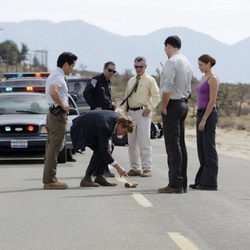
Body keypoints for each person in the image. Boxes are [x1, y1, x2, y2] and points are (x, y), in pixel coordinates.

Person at [158, 36, 192, 194]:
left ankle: (175, 184)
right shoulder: (186, 61)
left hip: (172, 104)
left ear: (169, 46)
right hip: (184, 103)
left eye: (165, 48)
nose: (165, 51)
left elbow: (168, 86)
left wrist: (164, 106)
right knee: (180, 144)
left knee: (172, 145)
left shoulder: (172, 62)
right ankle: (182, 183)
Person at [70, 110, 134, 187]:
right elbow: (104, 149)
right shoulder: (105, 125)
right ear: (120, 125)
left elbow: (108, 133)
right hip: (81, 128)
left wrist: (109, 142)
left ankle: (100, 176)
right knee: (100, 150)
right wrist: (118, 168)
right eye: (124, 132)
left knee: (110, 147)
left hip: (93, 126)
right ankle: (87, 178)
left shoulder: (117, 120)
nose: (123, 135)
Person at [43, 52, 77, 190]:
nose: (72, 69)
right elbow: (53, 91)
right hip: (57, 115)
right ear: (65, 64)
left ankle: (49, 178)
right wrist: (63, 105)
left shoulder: (54, 74)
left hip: (53, 114)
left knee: (51, 148)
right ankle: (50, 180)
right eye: (72, 65)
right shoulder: (58, 76)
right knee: (54, 149)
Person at [122, 56, 160, 177]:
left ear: (145, 67)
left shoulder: (150, 80)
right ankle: (134, 167)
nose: (138, 69)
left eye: (141, 67)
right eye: (136, 67)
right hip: (131, 113)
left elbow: (156, 96)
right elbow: (126, 97)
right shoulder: (131, 80)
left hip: (143, 112)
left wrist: (149, 107)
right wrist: (124, 114)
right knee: (131, 142)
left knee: (144, 141)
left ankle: (147, 168)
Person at [189, 54, 219, 191]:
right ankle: (202, 180)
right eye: (198, 64)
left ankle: (211, 182)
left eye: (201, 64)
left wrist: (205, 119)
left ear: (208, 64)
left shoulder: (213, 79)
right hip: (201, 113)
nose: (199, 67)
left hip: (209, 115)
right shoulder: (203, 78)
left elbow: (212, 101)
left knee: (209, 148)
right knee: (201, 149)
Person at [83, 61, 117, 177]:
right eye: (110, 70)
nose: (112, 73)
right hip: (99, 117)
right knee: (105, 146)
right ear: (104, 69)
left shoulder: (108, 83)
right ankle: (101, 170)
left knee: (107, 145)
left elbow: (106, 97)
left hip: (107, 115)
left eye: (114, 71)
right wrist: (94, 106)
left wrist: (111, 104)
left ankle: (100, 170)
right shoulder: (95, 80)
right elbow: (86, 92)